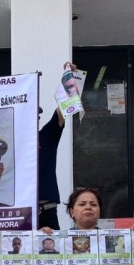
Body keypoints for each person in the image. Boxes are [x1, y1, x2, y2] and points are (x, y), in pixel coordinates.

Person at [37, 62, 76, 230]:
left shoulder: (46, 136)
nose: (34, 117)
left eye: (36, 114)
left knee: (52, 254)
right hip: (17, 213)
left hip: (45, 210)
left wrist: (70, 80)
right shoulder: (10, 140)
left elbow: (63, 107)